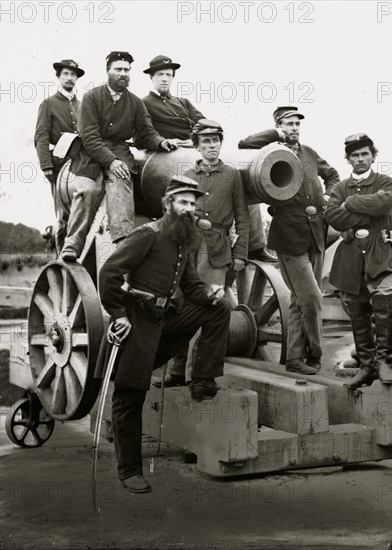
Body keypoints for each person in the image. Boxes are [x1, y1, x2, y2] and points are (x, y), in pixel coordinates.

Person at [99, 175, 232, 493]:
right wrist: (118, 315)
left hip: (164, 320)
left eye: (192, 204)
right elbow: (109, 273)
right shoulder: (147, 234)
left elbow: (191, 287)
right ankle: (130, 471)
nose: (188, 209)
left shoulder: (183, 240)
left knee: (220, 309)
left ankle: (202, 379)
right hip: (137, 322)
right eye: (182, 202)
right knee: (129, 397)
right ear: (167, 204)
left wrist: (210, 294)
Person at [140, 54, 276, 262]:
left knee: (246, 182)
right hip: (169, 158)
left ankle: (255, 246)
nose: (165, 78)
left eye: (169, 74)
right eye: (160, 74)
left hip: (192, 149)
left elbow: (204, 123)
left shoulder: (182, 102)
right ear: (152, 78)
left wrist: (193, 139)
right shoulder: (145, 103)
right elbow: (143, 135)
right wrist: (167, 141)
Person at [238, 106, 340, 374]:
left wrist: (329, 196)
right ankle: (316, 354)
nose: (294, 128)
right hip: (289, 237)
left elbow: (332, 175)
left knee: (299, 300)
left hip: (316, 234)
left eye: (297, 124)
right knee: (312, 298)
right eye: (288, 124)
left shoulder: (309, 153)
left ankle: (295, 358)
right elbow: (243, 143)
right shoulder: (269, 152)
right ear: (279, 126)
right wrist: (275, 135)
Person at [60, 51, 178, 262]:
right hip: (89, 156)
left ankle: (123, 246)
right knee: (88, 191)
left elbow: (146, 133)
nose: (123, 74)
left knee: (121, 190)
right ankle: (73, 244)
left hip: (120, 154)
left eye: (126, 70)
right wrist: (110, 161)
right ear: (108, 71)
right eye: (118, 69)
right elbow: (89, 135)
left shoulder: (134, 102)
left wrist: (161, 142)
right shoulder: (91, 97)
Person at [158, 118, 249, 387]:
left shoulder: (232, 176)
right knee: (181, 306)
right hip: (187, 246)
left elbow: (242, 216)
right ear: (197, 146)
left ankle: (196, 375)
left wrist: (241, 252)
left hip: (217, 249)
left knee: (210, 306)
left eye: (215, 141)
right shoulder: (187, 176)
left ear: (221, 143)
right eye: (206, 141)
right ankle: (176, 371)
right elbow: (173, 211)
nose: (211, 146)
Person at [324, 133, 392, 388]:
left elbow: (385, 204)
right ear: (348, 159)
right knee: (357, 309)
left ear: (373, 156)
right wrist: (367, 216)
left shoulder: (383, 181)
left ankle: (384, 363)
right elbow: (333, 216)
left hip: (379, 253)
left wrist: (352, 203)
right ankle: (366, 367)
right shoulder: (339, 188)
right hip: (351, 256)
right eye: (354, 155)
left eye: (364, 154)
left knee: (386, 299)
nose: (360, 159)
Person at [34, 59, 84, 252]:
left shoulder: (83, 105)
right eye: (66, 74)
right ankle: (63, 259)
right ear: (58, 76)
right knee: (64, 217)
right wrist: (46, 165)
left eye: (73, 75)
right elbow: (41, 137)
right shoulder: (48, 104)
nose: (70, 78)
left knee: (82, 213)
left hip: (83, 164)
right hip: (59, 166)